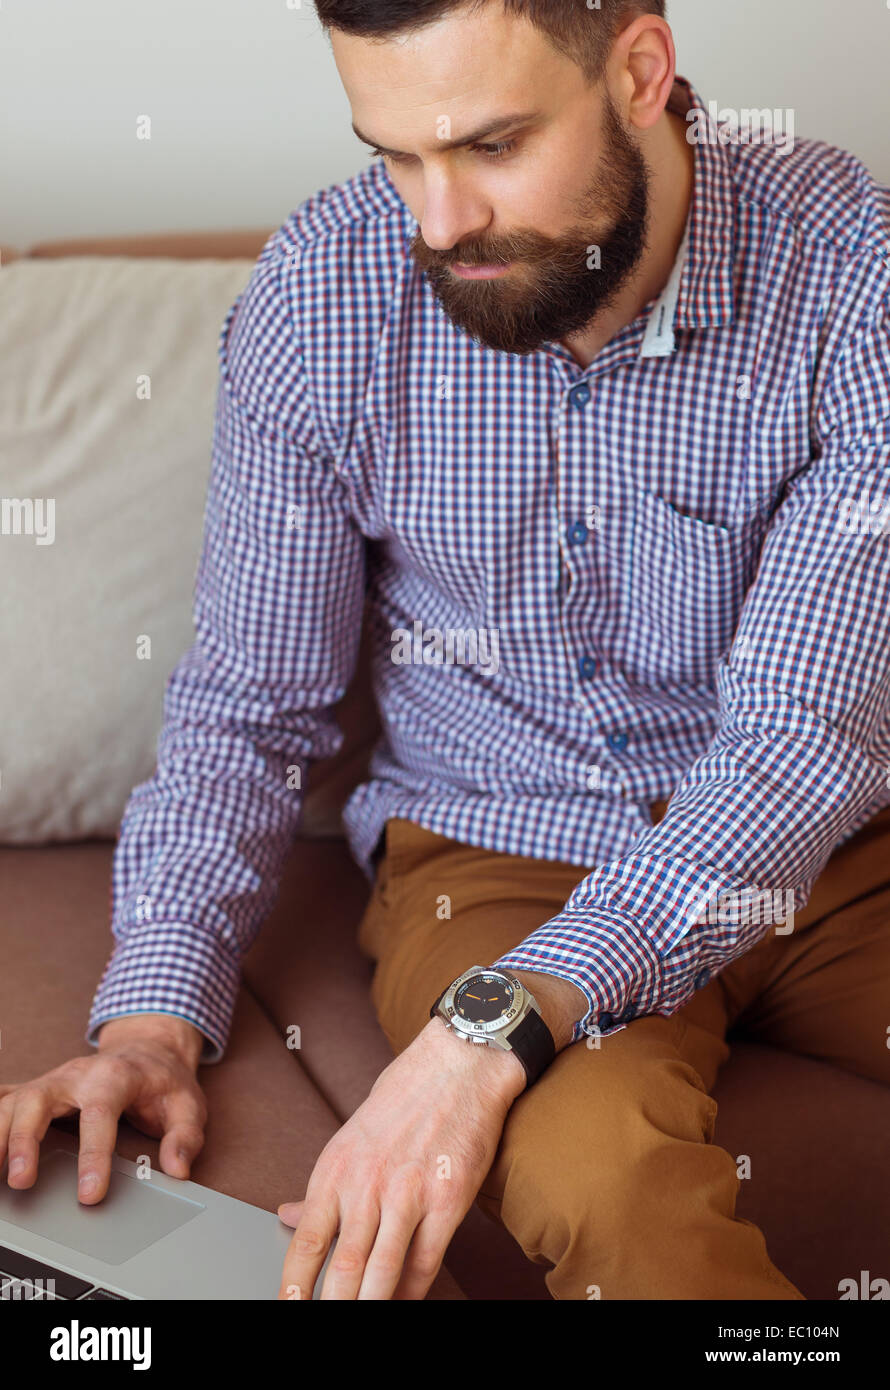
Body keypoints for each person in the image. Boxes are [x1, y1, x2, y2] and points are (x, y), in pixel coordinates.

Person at [3, 0, 889, 1301]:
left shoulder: (848, 268)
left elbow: (798, 741)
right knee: (601, 1180)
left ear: (639, 71)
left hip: (827, 850)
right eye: (394, 154)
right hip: (499, 852)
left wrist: (496, 1028)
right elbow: (248, 708)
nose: (436, 222)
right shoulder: (321, 298)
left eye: (489, 145)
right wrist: (149, 1021)